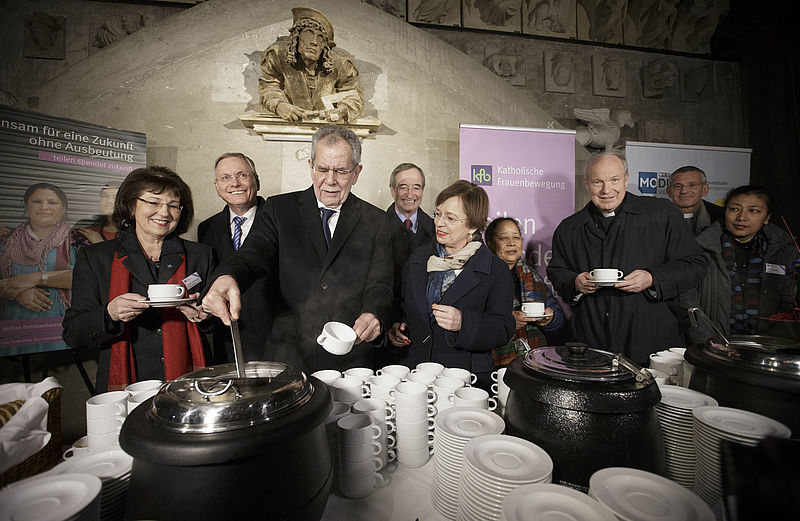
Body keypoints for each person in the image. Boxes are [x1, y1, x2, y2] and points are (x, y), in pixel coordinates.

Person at [201, 124, 392, 373]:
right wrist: (228, 276)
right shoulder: (279, 209)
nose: (330, 181)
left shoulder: (377, 220)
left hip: (351, 353)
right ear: (311, 166)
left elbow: (381, 284)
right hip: (289, 353)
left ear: (356, 172)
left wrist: (374, 313)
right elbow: (253, 253)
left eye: (341, 171)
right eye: (322, 169)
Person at [62, 167, 215, 393]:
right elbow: (73, 333)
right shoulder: (96, 258)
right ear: (131, 206)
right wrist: (110, 314)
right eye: (153, 202)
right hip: (129, 383)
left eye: (173, 205)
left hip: (190, 379)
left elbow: (218, 324)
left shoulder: (201, 255)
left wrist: (205, 316)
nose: (164, 212)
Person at [547, 151, 706, 365]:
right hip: (590, 342)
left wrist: (652, 278)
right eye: (597, 182)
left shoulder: (660, 214)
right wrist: (575, 282)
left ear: (626, 179)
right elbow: (557, 271)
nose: (606, 190)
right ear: (587, 184)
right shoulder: (570, 228)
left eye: (614, 180)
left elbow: (695, 264)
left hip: (651, 342)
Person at [388, 180, 515, 390]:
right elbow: (403, 304)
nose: (439, 223)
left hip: (464, 381)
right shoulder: (419, 257)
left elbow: (503, 329)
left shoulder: (495, 269)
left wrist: (463, 322)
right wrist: (396, 325)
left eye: (450, 218)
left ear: (473, 226)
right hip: (415, 376)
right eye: (438, 214)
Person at [691, 185, 798, 340]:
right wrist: (706, 339)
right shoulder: (702, 245)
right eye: (734, 209)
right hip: (713, 341)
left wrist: (773, 341)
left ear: (767, 217)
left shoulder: (784, 250)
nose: (741, 217)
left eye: (753, 210)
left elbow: (788, 301)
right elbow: (688, 298)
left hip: (767, 343)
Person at [198, 152, 275, 363]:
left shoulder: (280, 220)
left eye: (242, 175)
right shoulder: (206, 228)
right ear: (217, 186)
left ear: (256, 181)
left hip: (275, 340)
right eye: (226, 178)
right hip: (228, 339)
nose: (235, 183)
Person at [0, 184, 90, 354]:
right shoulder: (5, 240)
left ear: (63, 209)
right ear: (26, 206)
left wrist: (34, 278)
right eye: (37, 201)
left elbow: (89, 277)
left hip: (62, 331)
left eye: (52, 202)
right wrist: (15, 291)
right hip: (14, 330)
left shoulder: (79, 240)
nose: (44, 207)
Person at [259, 7, 364, 123]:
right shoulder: (278, 55)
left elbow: (354, 95)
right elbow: (269, 87)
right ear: (296, 37)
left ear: (324, 46)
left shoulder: (341, 63)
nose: (314, 42)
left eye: (320, 38)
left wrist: (343, 110)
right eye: (308, 33)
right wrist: (279, 105)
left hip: (328, 126)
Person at [484, 217, 564, 365]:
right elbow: (472, 322)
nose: (511, 243)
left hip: (534, 362)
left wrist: (549, 319)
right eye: (503, 238)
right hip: (493, 363)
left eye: (516, 237)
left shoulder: (532, 277)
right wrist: (507, 321)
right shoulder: (481, 277)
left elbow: (558, 322)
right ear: (490, 244)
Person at [382, 162, 435, 366]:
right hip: (387, 332)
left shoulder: (436, 228)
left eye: (416, 187)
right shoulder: (376, 226)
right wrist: (389, 323)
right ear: (392, 190)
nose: (410, 194)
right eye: (403, 187)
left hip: (426, 329)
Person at [666, 166, 723, 235]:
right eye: (678, 186)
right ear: (669, 191)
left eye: (692, 185)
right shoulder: (656, 216)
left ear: (704, 190)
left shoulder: (722, 217)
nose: (684, 191)